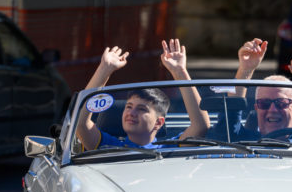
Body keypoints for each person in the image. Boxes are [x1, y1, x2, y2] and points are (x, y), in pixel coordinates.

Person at [76, 39, 210, 151]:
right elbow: (80, 124)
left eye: (141, 109)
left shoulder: (168, 149)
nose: (131, 113)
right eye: (129, 106)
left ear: (159, 122)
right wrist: (104, 69)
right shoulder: (109, 146)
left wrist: (180, 72)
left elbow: (201, 125)